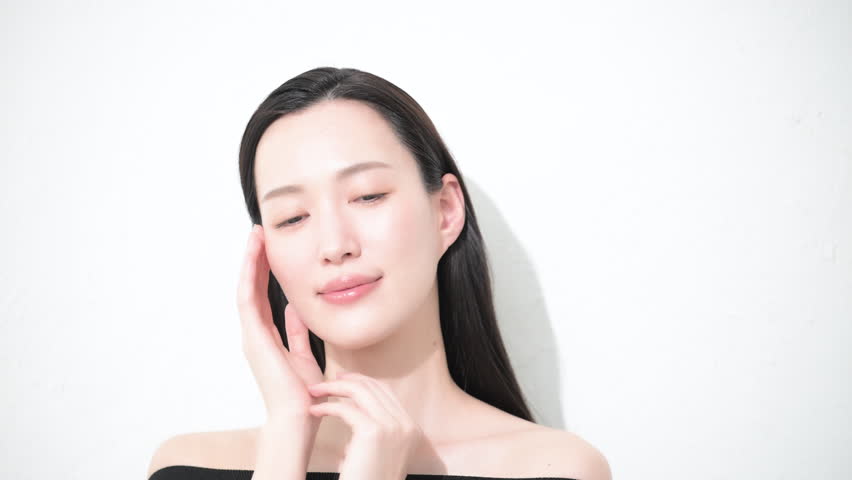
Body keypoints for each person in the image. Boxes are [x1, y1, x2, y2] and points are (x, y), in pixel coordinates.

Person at [146, 67, 611, 480]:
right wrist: (287, 435)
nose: (335, 246)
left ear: (446, 211)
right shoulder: (185, 465)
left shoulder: (557, 469)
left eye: (367, 196)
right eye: (292, 217)